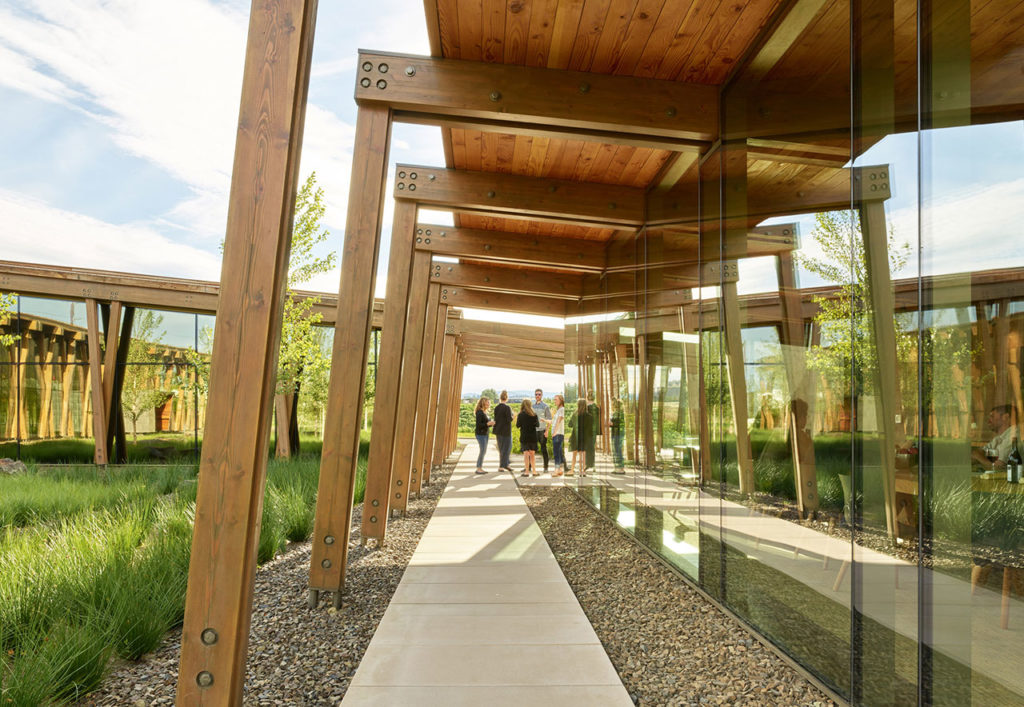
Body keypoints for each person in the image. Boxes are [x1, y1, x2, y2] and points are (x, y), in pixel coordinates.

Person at [971, 404, 1018, 471]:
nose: (989, 420)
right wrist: (979, 457)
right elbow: (977, 454)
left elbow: (998, 468)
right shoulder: (998, 438)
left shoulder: (1013, 436)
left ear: (1006, 417)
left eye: (992, 416)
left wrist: (978, 457)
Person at [516, 398, 540, 477]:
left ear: (522, 405)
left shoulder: (521, 415)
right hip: (533, 436)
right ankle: (534, 471)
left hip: (524, 437)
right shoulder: (534, 414)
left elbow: (517, 425)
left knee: (526, 454)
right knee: (532, 454)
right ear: (530, 405)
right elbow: (538, 425)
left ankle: (526, 472)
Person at [493, 390, 513, 473]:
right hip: (506, 431)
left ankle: (505, 464)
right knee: (507, 448)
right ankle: (502, 465)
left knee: (501, 448)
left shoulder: (496, 408)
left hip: (498, 430)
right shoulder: (507, 408)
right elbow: (509, 419)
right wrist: (513, 416)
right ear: (507, 398)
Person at [473, 396, 494, 474]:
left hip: (485, 434)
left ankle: (479, 467)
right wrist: (487, 423)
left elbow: (486, 424)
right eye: (488, 402)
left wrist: (491, 423)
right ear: (484, 403)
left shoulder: (484, 412)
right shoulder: (479, 412)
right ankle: (479, 468)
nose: (489, 404)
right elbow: (479, 425)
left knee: (483, 451)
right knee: (482, 451)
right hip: (481, 434)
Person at [533, 388, 552, 473]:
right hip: (533, 431)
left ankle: (546, 467)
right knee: (531, 449)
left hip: (542, 431)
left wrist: (547, 431)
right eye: (536, 394)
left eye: (539, 394)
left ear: (542, 395)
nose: (537, 396)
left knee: (543, 449)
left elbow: (550, 420)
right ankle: (529, 467)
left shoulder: (545, 406)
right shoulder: (532, 406)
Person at [547, 394, 566, 476]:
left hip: (558, 434)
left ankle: (556, 470)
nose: (554, 401)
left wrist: (554, 432)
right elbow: (553, 422)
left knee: (556, 453)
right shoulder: (559, 410)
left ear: (561, 400)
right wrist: (544, 420)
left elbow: (558, 421)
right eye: (554, 399)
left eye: (556, 400)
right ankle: (560, 469)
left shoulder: (562, 409)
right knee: (559, 452)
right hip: (557, 433)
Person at [567, 398, 586, 477]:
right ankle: (582, 472)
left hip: (575, 436)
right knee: (583, 454)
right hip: (584, 436)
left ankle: (572, 470)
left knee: (574, 455)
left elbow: (569, 424)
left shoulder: (575, 413)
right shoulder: (588, 414)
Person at [584, 391, 600, 472]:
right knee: (592, 447)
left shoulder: (586, 407)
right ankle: (592, 465)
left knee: (587, 448)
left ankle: (588, 465)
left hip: (587, 430)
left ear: (587, 397)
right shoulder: (597, 407)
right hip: (594, 430)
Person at [610, 398, 625, 473]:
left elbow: (615, 424)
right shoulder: (621, 413)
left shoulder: (616, 413)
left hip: (616, 434)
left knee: (617, 450)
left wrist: (610, 423)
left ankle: (619, 468)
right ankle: (620, 468)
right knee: (619, 450)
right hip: (620, 433)